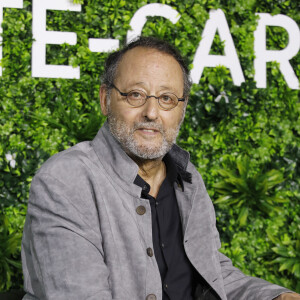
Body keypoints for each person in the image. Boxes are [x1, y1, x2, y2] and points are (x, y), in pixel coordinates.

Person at [21, 36, 300, 300]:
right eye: (135, 94)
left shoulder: (188, 181)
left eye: (166, 98)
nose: (152, 113)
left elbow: (212, 273)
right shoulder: (66, 180)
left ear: (182, 108)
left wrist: (277, 296)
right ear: (106, 99)